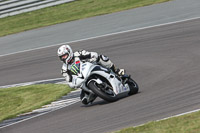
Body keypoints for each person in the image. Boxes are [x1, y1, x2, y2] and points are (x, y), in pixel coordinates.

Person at [57, 45, 125, 105]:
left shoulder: (78, 54)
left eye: (64, 55)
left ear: (69, 52)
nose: (63, 58)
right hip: (83, 80)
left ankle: (116, 70)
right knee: (84, 100)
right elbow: (69, 81)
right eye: (61, 57)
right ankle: (96, 91)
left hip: (91, 68)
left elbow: (93, 54)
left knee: (101, 57)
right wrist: (73, 83)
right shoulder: (64, 69)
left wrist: (92, 58)